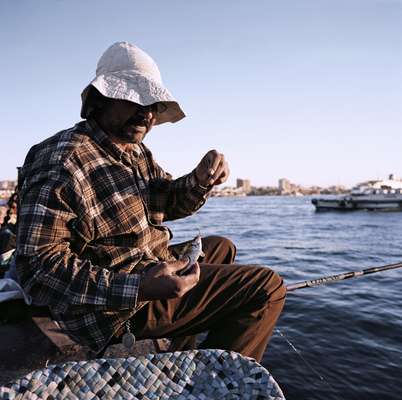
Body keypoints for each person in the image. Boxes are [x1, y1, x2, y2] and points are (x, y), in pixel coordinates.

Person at [15, 42, 286, 362]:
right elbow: (37, 269)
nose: (146, 112)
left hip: (143, 267)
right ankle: (217, 383)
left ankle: (181, 353)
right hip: (110, 310)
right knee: (266, 289)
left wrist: (200, 179)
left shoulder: (135, 152)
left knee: (221, 246)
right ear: (100, 100)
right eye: (134, 98)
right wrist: (139, 287)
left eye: (153, 103)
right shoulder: (62, 160)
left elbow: (167, 200)